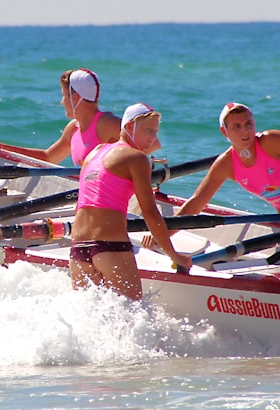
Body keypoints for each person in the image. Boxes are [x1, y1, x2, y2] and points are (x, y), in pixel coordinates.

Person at [68, 102, 193, 300]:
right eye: (148, 130)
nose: (153, 138)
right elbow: (150, 212)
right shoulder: (136, 158)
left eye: (156, 132)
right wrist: (174, 255)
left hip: (78, 248)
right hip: (110, 246)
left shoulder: (95, 152)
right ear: (128, 127)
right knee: (132, 314)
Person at [149, 102, 280, 236]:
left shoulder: (272, 141)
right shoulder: (226, 164)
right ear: (224, 132)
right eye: (236, 126)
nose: (245, 132)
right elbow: (196, 203)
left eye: (248, 124)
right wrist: (163, 236)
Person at [0, 68, 121, 166]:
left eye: (64, 96)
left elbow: (141, 147)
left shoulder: (105, 123)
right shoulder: (73, 129)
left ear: (75, 97)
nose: (61, 102)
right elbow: (47, 158)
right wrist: (2, 148)